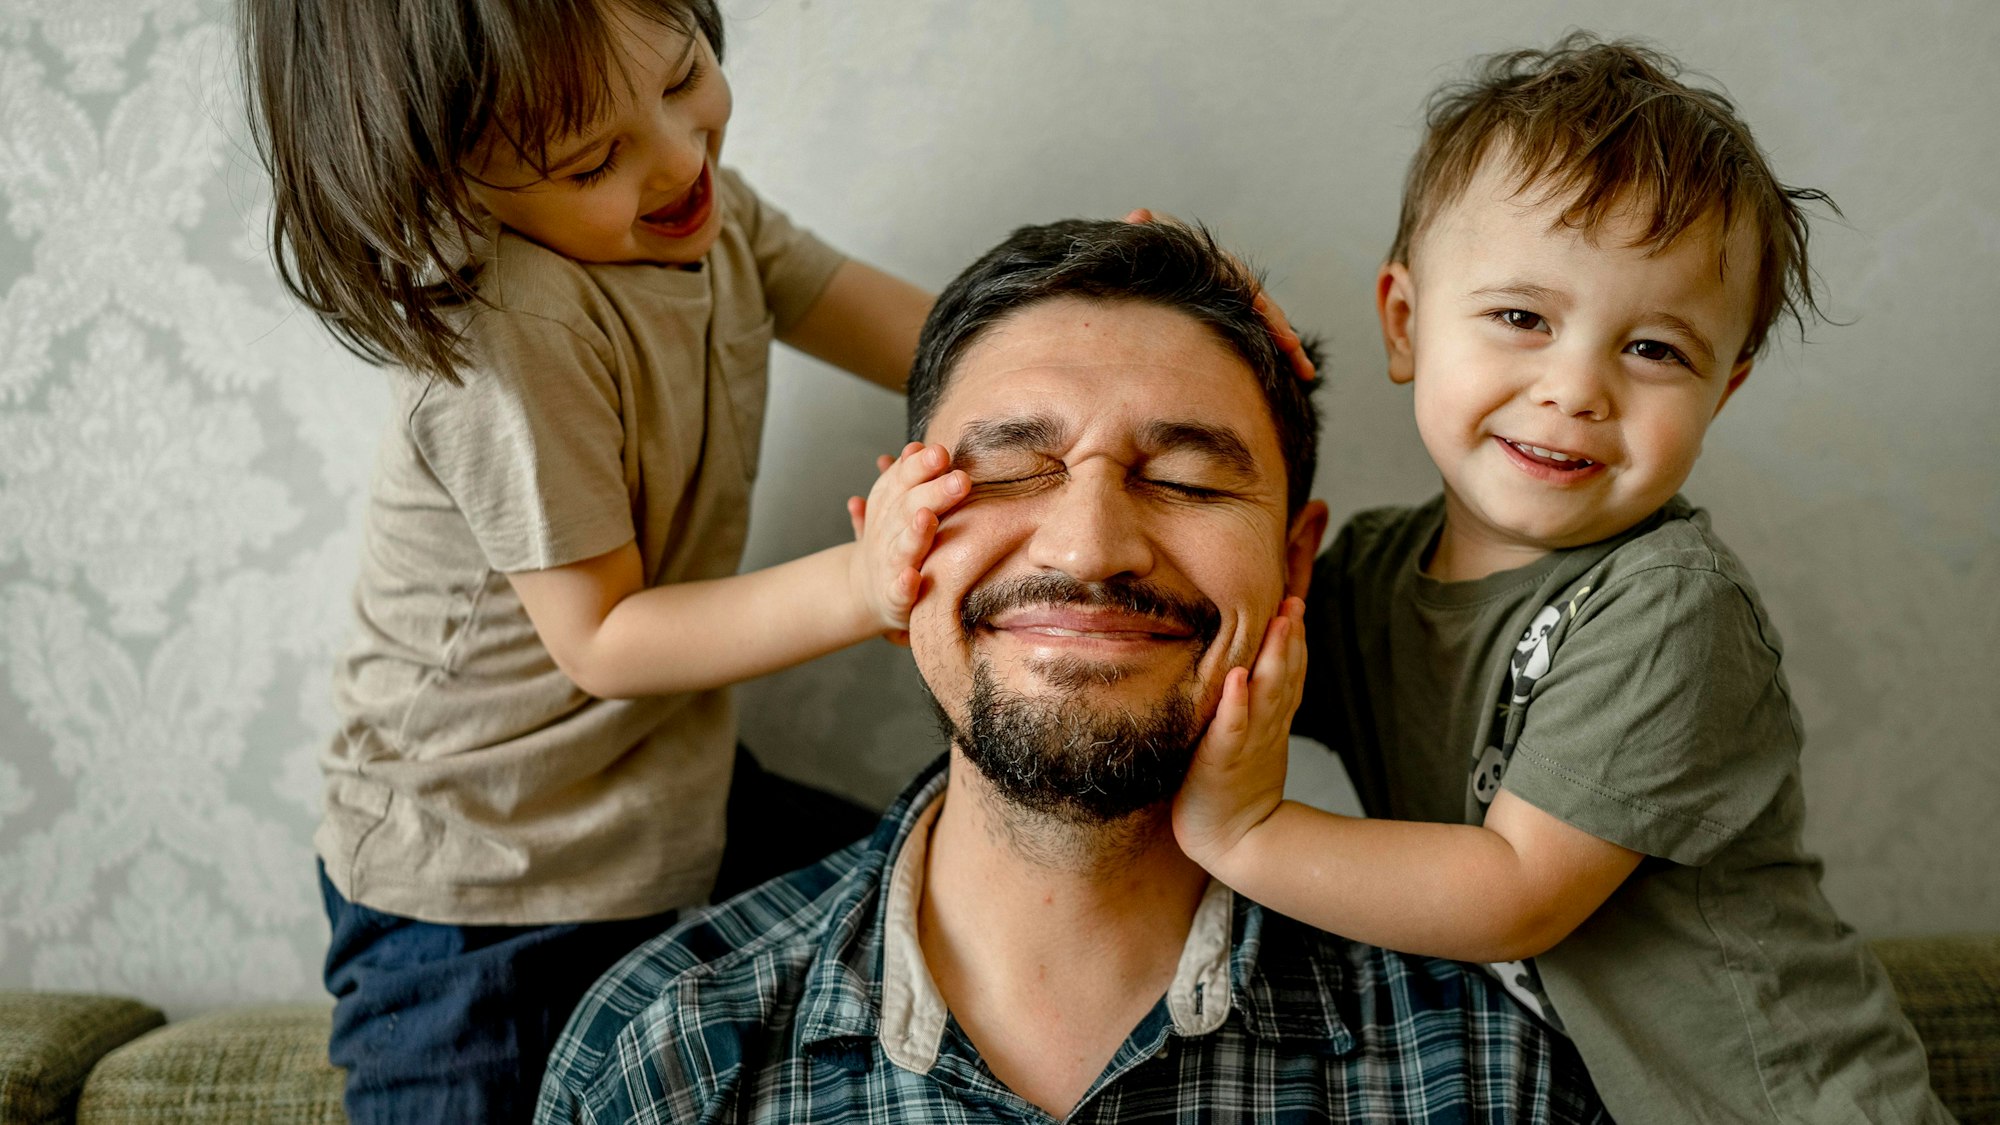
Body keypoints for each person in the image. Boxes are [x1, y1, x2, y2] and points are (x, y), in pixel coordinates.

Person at [537, 218, 1610, 1123]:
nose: (1086, 547)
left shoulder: (1485, 1075)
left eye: (1187, 481)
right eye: (1009, 468)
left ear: (1293, 561)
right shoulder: (660, 1061)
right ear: (892, 545)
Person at [1169, 35, 1951, 1124]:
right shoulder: (1369, 580)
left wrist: (1243, 832)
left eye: (1653, 351)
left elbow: (1514, 896)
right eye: (1521, 319)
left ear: (1721, 390)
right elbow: (1196, 627)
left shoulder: (1669, 605)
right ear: (1403, 323)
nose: (1574, 388)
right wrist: (1177, 343)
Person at [237, 1, 968, 1119]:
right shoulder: (505, 333)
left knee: (955, 908)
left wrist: (1098, 326)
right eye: (592, 162)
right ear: (447, 183)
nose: (681, 160)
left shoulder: (698, 214)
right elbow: (605, 641)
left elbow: (896, 325)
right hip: (481, 879)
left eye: (683, 80)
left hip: (666, 794)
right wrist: (860, 582)